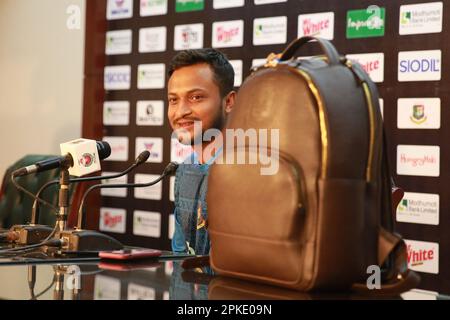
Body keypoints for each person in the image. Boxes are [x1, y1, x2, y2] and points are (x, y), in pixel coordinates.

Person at [167, 48, 236, 256]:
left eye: (196, 97)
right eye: (173, 100)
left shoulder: (247, 171)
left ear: (229, 102)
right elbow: (181, 258)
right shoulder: (185, 169)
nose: (181, 112)